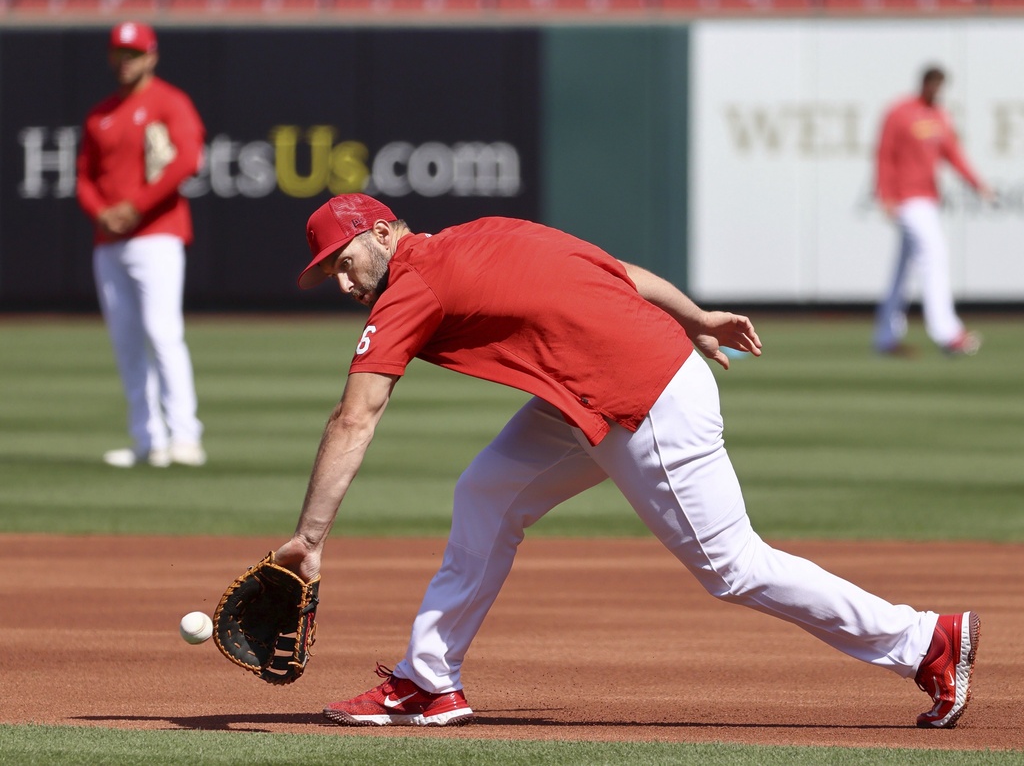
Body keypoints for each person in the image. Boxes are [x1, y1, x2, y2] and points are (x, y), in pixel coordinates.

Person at [274, 192, 980, 729]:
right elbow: (616, 270)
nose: (342, 282)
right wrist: (697, 315)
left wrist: (309, 538)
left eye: (342, 262)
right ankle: (428, 678)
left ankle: (924, 640)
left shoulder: (411, 286)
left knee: (733, 565)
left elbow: (355, 414)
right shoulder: (480, 234)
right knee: (486, 491)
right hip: (592, 394)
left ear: (380, 232)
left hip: (642, 399)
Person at [76, 22, 207, 468]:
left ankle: (185, 436)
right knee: (126, 339)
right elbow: (84, 177)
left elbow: (188, 159)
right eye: (119, 53)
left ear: (151, 56)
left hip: (157, 233)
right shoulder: (100, 114)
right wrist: (101, 212)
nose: (125, 61)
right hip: (108, 240)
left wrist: (135, 206)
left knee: (163, 331)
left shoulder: (170, 102)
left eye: (133, 53)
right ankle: (146, 438)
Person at [873, 65, 994, 357]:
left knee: (902, 271)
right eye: (934, 86)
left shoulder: (939, 116)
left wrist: (977, 184)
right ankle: (948, 332)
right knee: (934, 254)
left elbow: (952, 153)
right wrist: (885, 194)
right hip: (907, 199)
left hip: (927, 198)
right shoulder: (900, 112)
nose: (936, 92)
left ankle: (885, 337)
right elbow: (885, 154)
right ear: (924, 83)